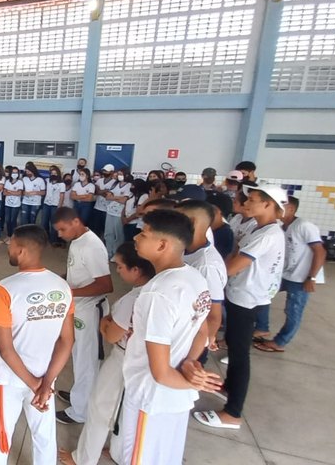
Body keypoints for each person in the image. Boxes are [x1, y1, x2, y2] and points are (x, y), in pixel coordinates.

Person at [121, 209, 218, 464]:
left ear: (162, 244)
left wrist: (194, 382)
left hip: (152, 396)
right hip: (176, 395)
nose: (136, 239)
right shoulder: (194, 278)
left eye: (143, 234)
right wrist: (189, 363)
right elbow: (203, 331)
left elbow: (161, 372)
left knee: (142, 457)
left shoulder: (158, 293)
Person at [194, 185, 286, 431]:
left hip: (247, 298)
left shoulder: (267, 235)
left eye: (253, 200)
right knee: (235, 348)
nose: (246, 203)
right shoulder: (259, 228)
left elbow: (235, 266)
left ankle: (233, 413)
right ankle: (229, 389)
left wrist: (208, 280)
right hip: (241, 294)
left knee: (239, 354)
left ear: (268, 205)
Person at [0, 225, 75, 465]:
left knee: (0, 437)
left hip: (11, 379)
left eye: (11, 245)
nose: (9, 249)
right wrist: (45, 384)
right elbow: (67, 341)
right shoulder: (62, 287)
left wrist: (34, 385)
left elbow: (6, 350)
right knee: (44, 437)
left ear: (21, 251)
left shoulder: (5, 289)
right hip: (47, 377)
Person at [59, 242, 155, 465]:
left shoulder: (133, 299)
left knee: (100, 407)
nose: (117, 269)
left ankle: (83, 458)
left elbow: (111, 335)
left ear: (136, 270)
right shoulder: (155, 289)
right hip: (144, 359)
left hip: (124, 357)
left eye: (120, 266)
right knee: (125, 407)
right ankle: (118, 452)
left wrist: (104, 322)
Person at [51, 207, 113, 425]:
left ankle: (81, 412)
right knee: (78, 357)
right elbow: (78, 273)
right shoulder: (77, 240)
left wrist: (70, 292)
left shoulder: (92, 246)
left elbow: (105, 285)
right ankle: (80, 396)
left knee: (86, 361)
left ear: (76, 222)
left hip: (90, 310)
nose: (60, 235)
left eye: (62, 230)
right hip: (78, 307)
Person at [254, 196, 325, 353]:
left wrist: (311, 278)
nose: (277, 210)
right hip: (285, 274)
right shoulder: (282, 227)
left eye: (281, 206)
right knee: (262, 295)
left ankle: (280, 342)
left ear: (291, 209)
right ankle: (261, 327)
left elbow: (320, 251)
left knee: (293, 311)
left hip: (301, 277)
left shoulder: (304, 226)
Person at [177, 200, 228, 356]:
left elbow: (213, 316)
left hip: (191, 343)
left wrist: (193, 356)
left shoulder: (206, 265)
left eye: (176, 219)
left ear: (192, 222)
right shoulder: (185, 249)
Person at [104, 169, 132, 258]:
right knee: (108, 233)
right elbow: (108, 197)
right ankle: (109, 252)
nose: (119, 175)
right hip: (110, 211)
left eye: (121, 174)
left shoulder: (129, 185)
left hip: (120, 213)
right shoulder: (115, 184)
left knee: (118, 234)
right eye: (118, 174)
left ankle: (116, 254)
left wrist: (114, 197)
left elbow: (124, 200)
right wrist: (117, 198)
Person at [41, 166, 66, 247]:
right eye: (52, 173)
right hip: (46, 204)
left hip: (55, 206)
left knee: (54, 224)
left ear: (58, 174)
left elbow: (62, 196)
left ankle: (53, 240)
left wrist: (59, 206)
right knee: (44, 222)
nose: (53, 174)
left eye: (55, 173)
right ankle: (44, 239)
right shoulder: (47, 181)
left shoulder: (62, 184)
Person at [92, 164, 116, 237]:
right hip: (97, 207)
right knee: (96, 228)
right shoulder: (99, 180)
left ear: (112, 172)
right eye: (104, 171)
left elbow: (109, 196)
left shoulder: (114, 182)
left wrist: (100, 191)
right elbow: (96, 192)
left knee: (105, 229)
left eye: (106, 171)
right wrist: (105, 191)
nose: (105, 172)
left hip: (107, 209)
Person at [2, 167, 23, 244]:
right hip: (7, 204)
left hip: (16, 205)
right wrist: (14, 192)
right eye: (13, 172)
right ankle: (8, 235)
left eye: (16, 172)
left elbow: (19, 193)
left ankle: (13, 237)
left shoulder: (20, 182)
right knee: (7, 220)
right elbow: (4, 193)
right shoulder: (7, 181)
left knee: (13, 220)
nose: (14, 174)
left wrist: (9, 191)